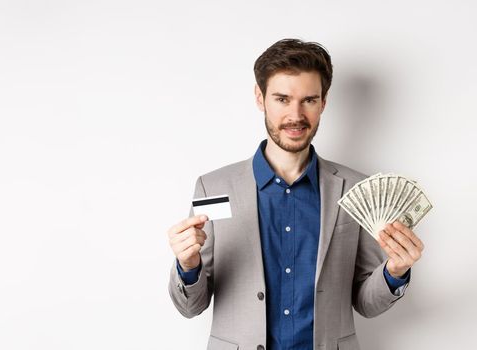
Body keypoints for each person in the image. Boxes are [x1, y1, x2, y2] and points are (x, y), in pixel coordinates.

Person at [166, 38, 425, 350]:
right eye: (282, 99)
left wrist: (394, 271)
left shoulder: (356, 189)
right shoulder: (215, 188)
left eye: (309, 100)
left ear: (323, 102)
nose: (296, 115)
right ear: (260, 98)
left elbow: (366, 303)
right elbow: (191, 306)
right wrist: (188, 265)